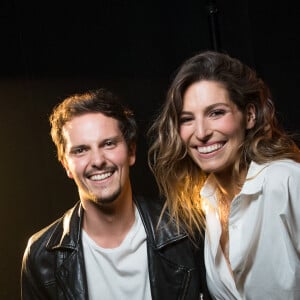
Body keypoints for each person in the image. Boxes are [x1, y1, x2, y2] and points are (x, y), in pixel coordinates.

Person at [21, 88, 210, 300]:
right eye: (81, 150)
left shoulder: (186, 232)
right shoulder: (42, 256)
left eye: (108, 144)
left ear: (131, 151)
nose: (98, 160)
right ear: (66, 164)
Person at [148, 51, 300, 299]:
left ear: (249, 115)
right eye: (187, 119)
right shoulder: (207, 204)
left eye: (216, 113)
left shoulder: (286, 181)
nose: (201, 132)